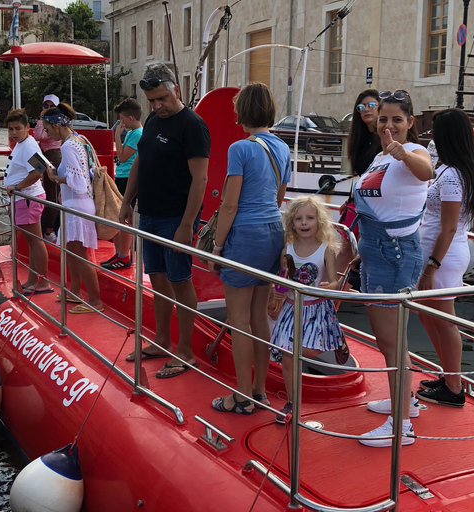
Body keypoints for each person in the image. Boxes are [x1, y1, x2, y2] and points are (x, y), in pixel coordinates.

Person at [119, 63, 210, 379]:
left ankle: (185, 351)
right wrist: (127, 201)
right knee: (157, 279)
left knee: (179, 281)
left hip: (176, 218)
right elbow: (140, 162)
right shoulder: (155, 122)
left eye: (162, 98)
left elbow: (200, 179)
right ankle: (161, 340)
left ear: (177, 90)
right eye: (152, 101)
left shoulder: (192, 126)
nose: (157, 106)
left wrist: (187, 225)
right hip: (150, 215)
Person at [354, 90, 433, 448]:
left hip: (395, 253)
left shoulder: (414, 152)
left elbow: (426, 171)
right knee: (387, 340)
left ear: (410, 123)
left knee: (392, 342)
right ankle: (407, 401)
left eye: (397, 120)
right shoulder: (379, 158)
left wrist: (402, 151)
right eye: (383, 119)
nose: (389, 125)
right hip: (375, 251)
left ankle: (400, 426)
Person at [207, 83, 290, 414]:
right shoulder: (282, 148)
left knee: (239, 318)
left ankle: (241, 395)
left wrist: (216, 246)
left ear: (244, 110)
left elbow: (229, 205)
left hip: (245, 234)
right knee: (258, 316)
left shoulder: (239, 149)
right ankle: (259, 390)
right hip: (273, 231)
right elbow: (280, 197)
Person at [415, 108, 474, 407]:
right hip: (434, 253)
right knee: (426, 314)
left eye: (435, 133)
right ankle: (448, 376)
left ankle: (455, 387)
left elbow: (450, 226)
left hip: (442, 257)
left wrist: (431, 268)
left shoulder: (454, 175)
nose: (432, 138)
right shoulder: (452, 169)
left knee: (445, 320)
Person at [267, 196, 343, 421]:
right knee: (289, 356)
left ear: (319, 221)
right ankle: (292, 402)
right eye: (299, 218)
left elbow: (335, 281)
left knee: (309, 351)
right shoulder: (287, 250)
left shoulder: (326, 250)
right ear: (292, 223)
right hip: (292, 307)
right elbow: (282, 279)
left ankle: (338, 341)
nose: (304, 223)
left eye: (310, 218)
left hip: (316, 309)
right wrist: (276, 294)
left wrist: (331, 285)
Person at [42, 103, 104, 314]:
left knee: (79, 254)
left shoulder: (68, 146)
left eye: (48, 129)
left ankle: (95, 301)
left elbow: (77, 181)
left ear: (57, 126)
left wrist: (55, 178)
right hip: (80, 204)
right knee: (72, 251)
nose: (47, 133)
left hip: (77, 206)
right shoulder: (80, 139)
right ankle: (74, 291)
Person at [336, 89, 382, 283]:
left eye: (371, 105)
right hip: (359, 203)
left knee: (361, 252)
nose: (366, 110)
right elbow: (362, 176)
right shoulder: (361, 139)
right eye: (361, 107)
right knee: (346, 248)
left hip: (376, 206)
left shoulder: (386, 140)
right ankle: (333, 292)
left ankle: (338, 289)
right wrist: (351, 198)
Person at [3, 108, 51, 294]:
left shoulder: (29, 146)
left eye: (17, 128)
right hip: (24, 198)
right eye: (10, 129)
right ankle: (33, 279)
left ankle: (43, 281)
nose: (14, 133)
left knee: (36, 241)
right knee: (32, 241)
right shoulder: (24, 144)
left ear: (27, 127)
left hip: (28, 198)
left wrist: (18, 186)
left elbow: (38, 170)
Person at [101, 98, 143, 270]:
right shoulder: (133, 133)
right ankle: (119, 253)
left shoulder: (137, 134)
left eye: (122, 119)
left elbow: (123, 156)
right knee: (118, 216)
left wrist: (117, 135)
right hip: (123, 176)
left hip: (127, 179)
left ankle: (124, 256)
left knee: (124, 217)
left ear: (130, 119)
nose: (121, 123)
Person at [33, 94, 62, 243]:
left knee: (52, 196)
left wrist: (42, 120)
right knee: (52, 194)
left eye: (52, 107)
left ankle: (49, 231)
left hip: (52, 156)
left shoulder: (54, 121)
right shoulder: (58, 121)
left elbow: (38, 136)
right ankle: (51, 230)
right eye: (46, 106)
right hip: (47, 156)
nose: (48, 109)